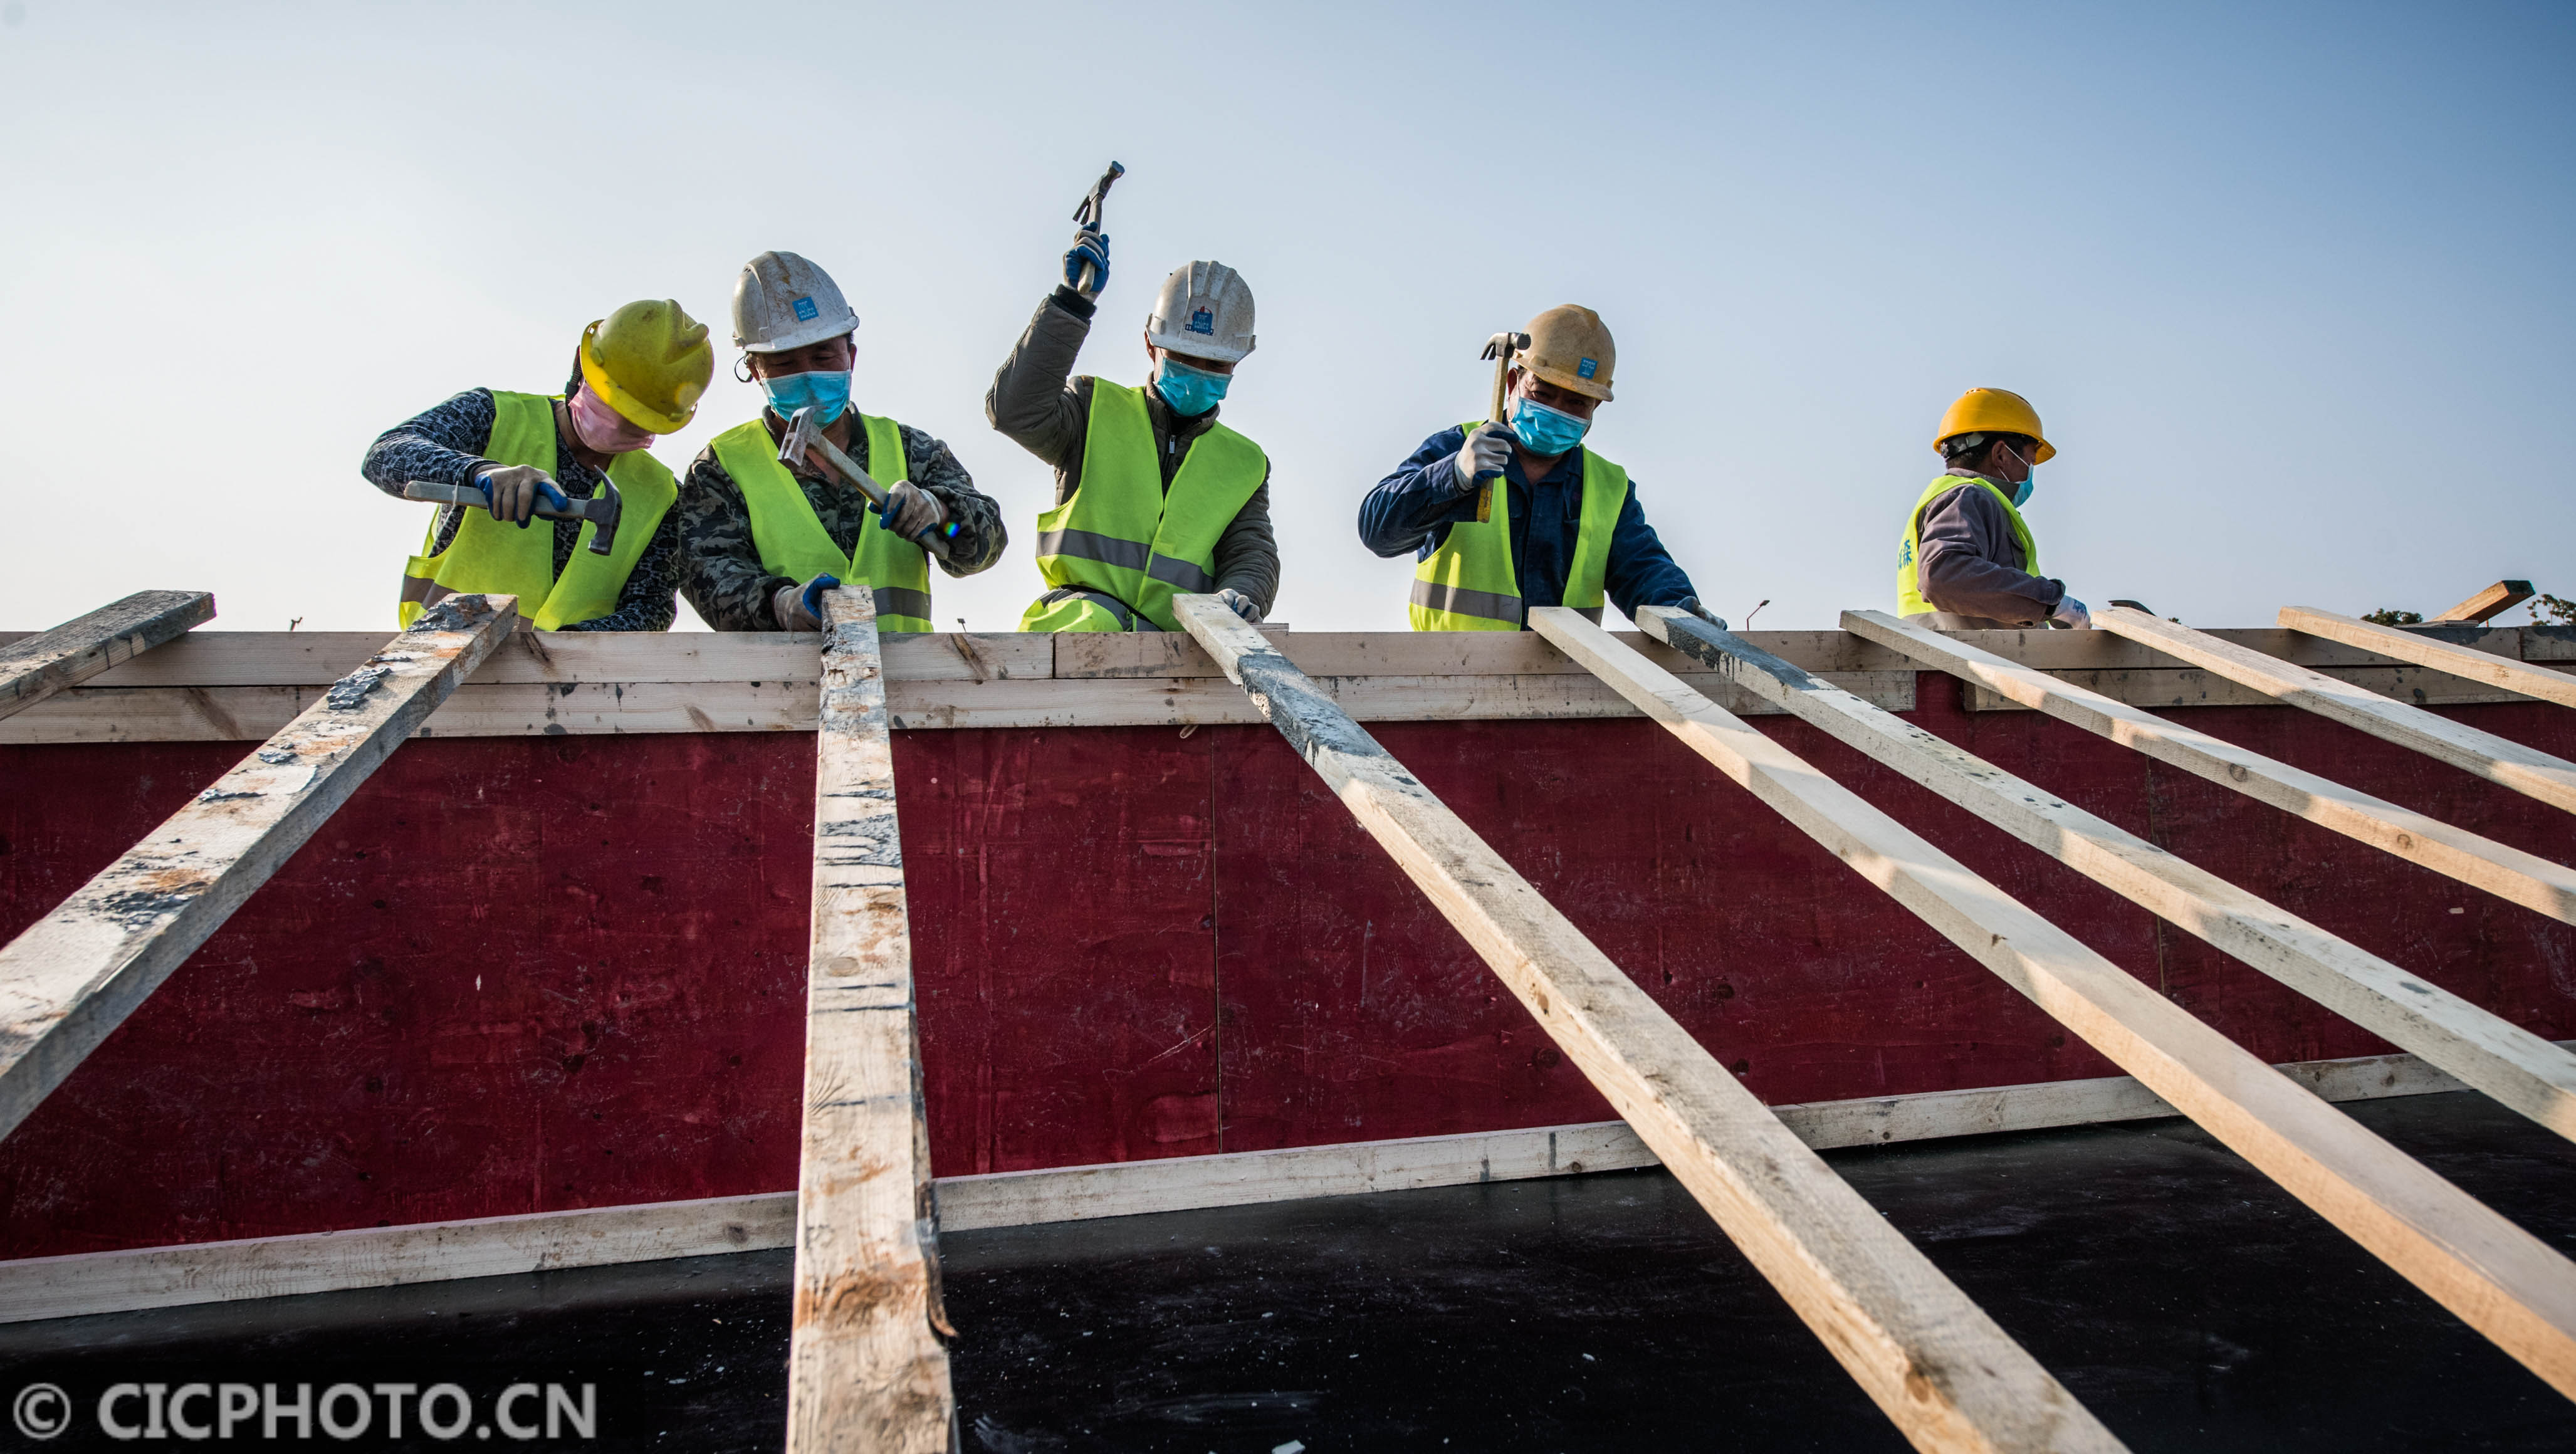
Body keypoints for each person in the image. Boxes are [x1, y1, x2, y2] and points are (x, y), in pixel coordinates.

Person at [676, 252, 1004, 634]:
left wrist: (942, 515)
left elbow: (983, 547)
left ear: (850, 355)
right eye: (784, 363)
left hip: (912, 681)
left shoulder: (912, 450)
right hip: (779, 686)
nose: (809, 374)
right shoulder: (722, 467)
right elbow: (707, 577)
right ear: (754, 370)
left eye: (823, 355)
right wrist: (780, 606)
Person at [986, 216, 1276, 632]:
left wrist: (1241, 596)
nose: (1198, 371)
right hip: (1076, 632)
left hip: (1175, 658)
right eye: (1183, 356)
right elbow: (1014, 411)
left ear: (1237, 362)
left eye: (1214, 364)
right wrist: (1071, 305)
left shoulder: (1245, 463)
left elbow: (1251, 554)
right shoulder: (1092, 409)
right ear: (1150, 345)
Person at [1359, 306, 1719, 631]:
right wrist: (1450, 476)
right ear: (1513, 383)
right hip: (1452, 682)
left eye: (1576, 402)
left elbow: (1643, 569)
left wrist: (1681, 612)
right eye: (1544, 394)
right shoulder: (1459, 448)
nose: (1558, 410)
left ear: (1595, 407)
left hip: (1559, 690)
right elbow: (1377, 531)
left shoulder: (1608, 488)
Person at [366, 300, 709, 630]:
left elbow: (651, 608)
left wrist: (564, 653)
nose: (619, 424)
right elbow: (386, 455)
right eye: (612, 401)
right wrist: (478, 471)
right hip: (442, 659)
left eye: (637, 418)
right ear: (581, 365)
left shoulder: (662, 495)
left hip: (567, 682)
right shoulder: (492, 416)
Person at [1897, 387, 2089, 629]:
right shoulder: (1969, 497)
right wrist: (2050, 603)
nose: (2030, 472)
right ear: (2001, 455)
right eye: (2030, 460)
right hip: (1971, 663)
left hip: (1954, 659)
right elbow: (1942, 575)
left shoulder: (1947, 496)